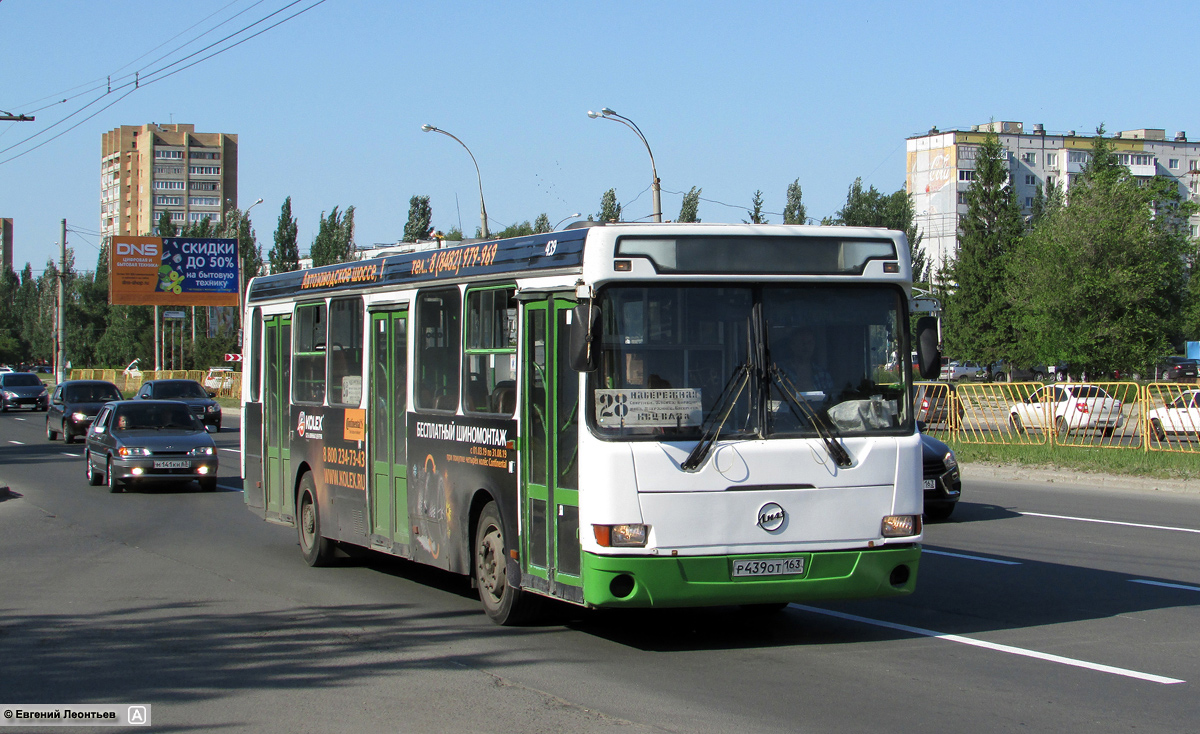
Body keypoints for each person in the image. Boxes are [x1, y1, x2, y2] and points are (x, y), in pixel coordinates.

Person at [775, 327, 834, 399]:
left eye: (810, 343)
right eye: (802, 342)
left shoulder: (823, 375)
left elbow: (830, 400)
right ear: (792, 345)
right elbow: (775, 399)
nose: (806, 346)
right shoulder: (780, 371)